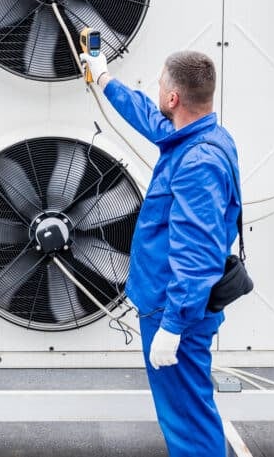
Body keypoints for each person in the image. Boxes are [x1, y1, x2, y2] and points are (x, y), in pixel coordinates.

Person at [80, 50, 241, 457]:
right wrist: (105, 80)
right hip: (175, 306)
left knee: (187, 419)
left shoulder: (197, 162)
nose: (157, 93)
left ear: (173, 99)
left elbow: (198, 255)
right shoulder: (200, 136)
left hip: (176, 311)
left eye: (160, 86)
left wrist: (173, 326)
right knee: (185, 412)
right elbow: (151, 121)